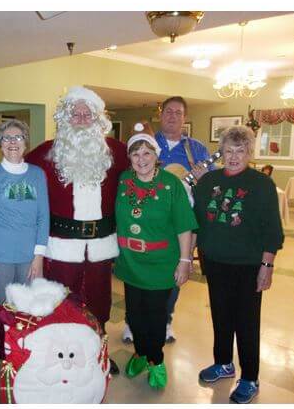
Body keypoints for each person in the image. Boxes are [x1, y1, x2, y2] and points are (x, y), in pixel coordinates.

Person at [25, 87, 129, 374]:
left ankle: (99, 353)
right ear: (65, 117)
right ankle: (62, 358)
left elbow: (145, 174)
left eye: (88, 113)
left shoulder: (118, 152)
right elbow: (18, 176)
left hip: (101, 244)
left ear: (98, 118)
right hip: (61, 245)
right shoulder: (45, 153)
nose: (82, 118)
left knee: (99, 301)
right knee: (61, 301)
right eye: (76, 113)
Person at [194, 126, 284, 405]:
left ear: (249, 153)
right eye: (228, 151)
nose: (234, 157)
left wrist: (266, 265)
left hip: (248, 265)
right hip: (215, 262)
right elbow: (196, 219)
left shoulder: (261, 184)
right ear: (221, 152)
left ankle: (250, 378)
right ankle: (223, 363)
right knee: (220, 316)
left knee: (246, 323)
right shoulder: (208, 181)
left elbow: (272, 228)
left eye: (240, 151)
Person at [120, 95, 212, 344]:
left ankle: (166, 319)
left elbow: (211, 187)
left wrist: (203, 178)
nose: (173, 116)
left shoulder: (197, 149)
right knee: (137, 270)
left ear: (185, 117)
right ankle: (132, 321)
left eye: (178, 112)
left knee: (175, 272)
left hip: (180, 222)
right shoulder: (147, 141)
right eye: (168, 111)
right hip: (145, 220)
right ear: (161, 115)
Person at [115, 125, 197, 390]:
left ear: (156, 155)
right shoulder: (123, 181)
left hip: (162, 263)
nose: (141, 159)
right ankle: (140, 353)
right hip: (130, 262)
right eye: (136, 153)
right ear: (130, 157)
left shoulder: (172, 184)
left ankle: (157, 360)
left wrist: (185, 262)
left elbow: (185, 226)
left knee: (155, 316)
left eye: (147, 153)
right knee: (135, 315)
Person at [0, 119, 49, 306]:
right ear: (0, 144)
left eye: (18, 137)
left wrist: (39, 256)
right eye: (6, 138)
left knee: (29, 309)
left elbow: (43, 216)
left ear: (26, 142)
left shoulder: (37, 174)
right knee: (2, 311)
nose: (13, 142)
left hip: (30, 256)